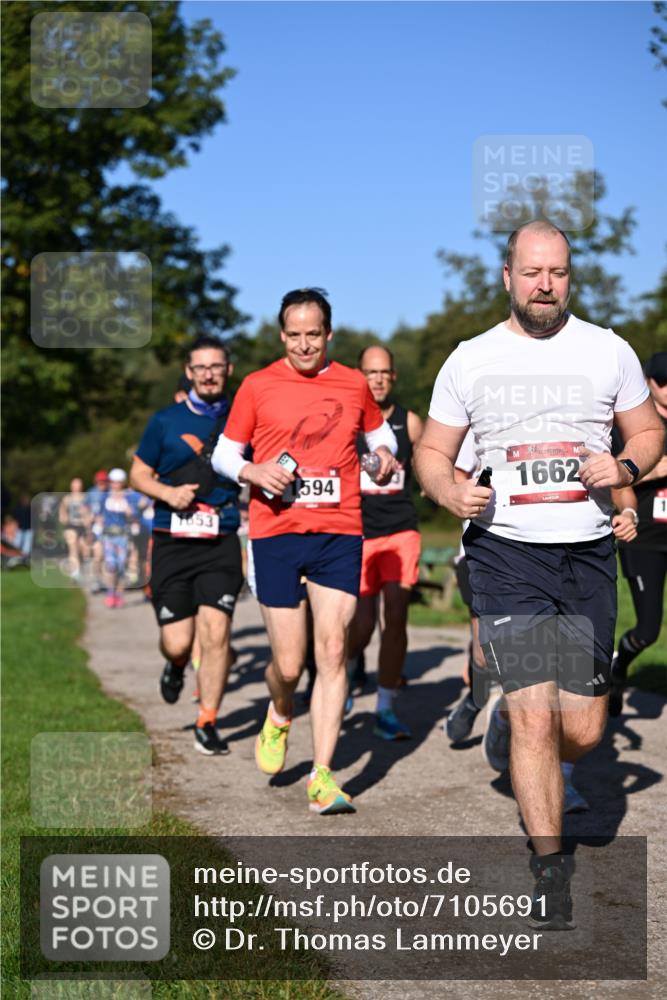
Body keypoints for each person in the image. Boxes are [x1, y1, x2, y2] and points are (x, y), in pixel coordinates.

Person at [414, 220, 664, 929]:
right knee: (532, 714)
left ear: (568, 277)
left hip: (585, 552)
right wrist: (446, 490)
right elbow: (433, 451)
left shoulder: (607, 350)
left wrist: (623, 467)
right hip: (506, 552)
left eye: (554, 272)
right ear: (506, 277)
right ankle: (549, 867)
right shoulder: (470, 359)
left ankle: (512, 735)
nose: (543, 285)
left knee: (581, 730)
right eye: (531, 273)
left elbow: (647, 432)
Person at [212, 288, 398, 814]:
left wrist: (383, 454)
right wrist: (251, 470)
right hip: (275, 532)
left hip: (340, 530)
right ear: (281, 336)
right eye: (293, 335)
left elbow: (384, 437)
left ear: (328, 334)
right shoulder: (257, 384)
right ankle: (278, 711)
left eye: (312, 334)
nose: (303, 344)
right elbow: (225, 454)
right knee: (289, 665)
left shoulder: (353, 383)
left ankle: (322, 776)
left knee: (333, 650)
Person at [130, 337, 243, 757]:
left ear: (227, 369)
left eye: (216, 366)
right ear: (189, 372)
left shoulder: (242, 417)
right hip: (173, 542)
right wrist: (167, 492)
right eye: (201, 368)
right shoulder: (165, 421)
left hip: (221, 540)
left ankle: (208, 719)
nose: (209, 374)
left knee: (216, 633)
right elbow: (138, 474)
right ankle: (176, 665)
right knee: (178, 642)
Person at [345, 344, 423, 739]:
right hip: (357, 533)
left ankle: (385, 708)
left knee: (396, 617)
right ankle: (345, 667)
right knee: (360, 625)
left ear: (393, 377)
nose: (377, 379)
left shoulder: (409, 422)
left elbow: (429, 465)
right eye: (370, 372)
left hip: (400, 529)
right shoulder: (349, 422)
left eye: (384, 373)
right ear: (359, 376)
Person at [610, 351, 667, 716]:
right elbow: (613, 478)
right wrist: (655, 468)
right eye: (663, 382)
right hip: (644, 538)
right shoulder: (632, 427)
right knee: (648, 630)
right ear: (648, 383)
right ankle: (619, 664)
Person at [98, 468, 137, 607]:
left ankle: (119, 595)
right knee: (111, 565)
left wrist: (129, 511)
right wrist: (96, 529)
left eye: (118, 482)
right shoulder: (105, 496)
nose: (115, 485)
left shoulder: (128, 497)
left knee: (121, 566)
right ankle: (110, 593)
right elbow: (100, 514)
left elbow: (134, 514)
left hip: (123, 536)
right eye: (113, 482)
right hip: (108, 536)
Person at [58, 477, 91, 580]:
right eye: (74, 485)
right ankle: (75, 573)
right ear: (71, 486)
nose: (76, 487)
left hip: (82, 526)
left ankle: (83, 566)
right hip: (71, 526)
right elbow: (62, 511)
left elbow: (90, 512)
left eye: (78, 485)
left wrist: (88, 520)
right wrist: (63, 518)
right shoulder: (67, 498)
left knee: (84, 549)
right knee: (73, 548)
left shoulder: (86, 497)